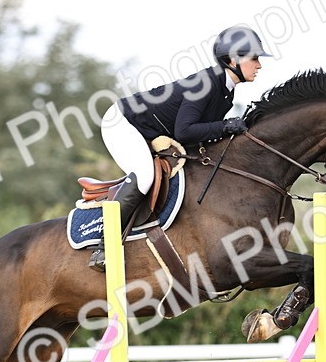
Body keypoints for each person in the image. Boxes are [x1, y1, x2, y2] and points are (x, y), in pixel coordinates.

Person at [89, 25, 270, 270]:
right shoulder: (205, 84)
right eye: (255, 58)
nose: (259, 65)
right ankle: (103, 246)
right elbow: (184, 131)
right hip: (122, 123)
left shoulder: (226, 93)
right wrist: (226, 126)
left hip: (149, 130)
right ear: (234, 59)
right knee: (144, 177)